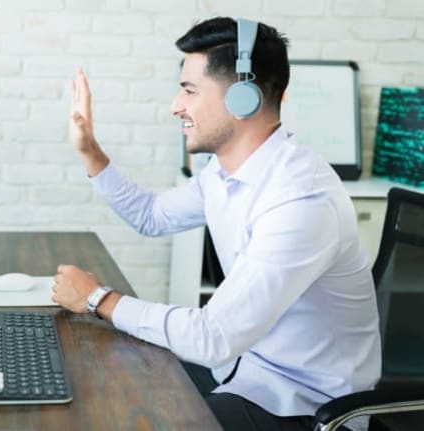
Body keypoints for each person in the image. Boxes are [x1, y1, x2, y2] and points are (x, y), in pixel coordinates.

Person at [52, 17, 380, 431]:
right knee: (105, 381)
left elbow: (214, 336)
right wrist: (90, 151)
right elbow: (151, 216)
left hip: (303, 408)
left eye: (189, 90)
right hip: (244, 375)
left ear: (244, 97)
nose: (176, 105)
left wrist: (97, 298)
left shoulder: (301, 202)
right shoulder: (223, 173)